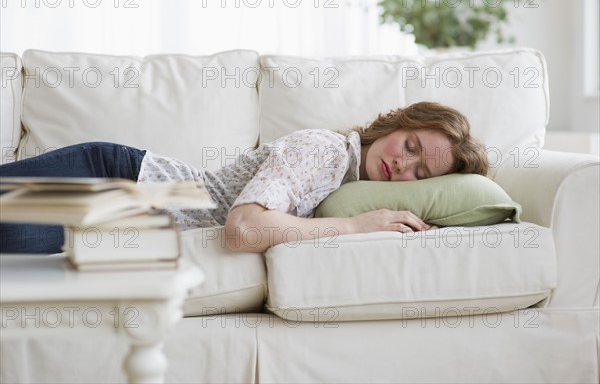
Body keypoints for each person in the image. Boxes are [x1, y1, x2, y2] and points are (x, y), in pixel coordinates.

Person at [0, 101, 488, 254]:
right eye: (409, 147)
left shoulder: (350, 187)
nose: (403, 165)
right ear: (394, 125)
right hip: (114, 181)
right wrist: (360, 226)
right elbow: (244, 230)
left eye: (421, 172)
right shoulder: (322, 152)